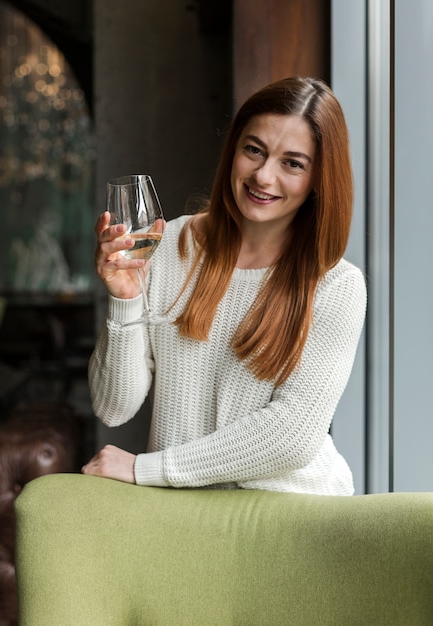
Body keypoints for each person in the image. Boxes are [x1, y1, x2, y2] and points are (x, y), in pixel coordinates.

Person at [82, 76, 367, 495]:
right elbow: (112, 407)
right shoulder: (169, 247)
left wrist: (147, 469)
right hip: (187, 517)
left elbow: (292, 436)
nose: (264, 177)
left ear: (319, 180)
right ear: (234, 149)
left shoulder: (336, 284)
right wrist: (124, 301)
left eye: (293, 163)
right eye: (254, 150)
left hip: (292, 516)